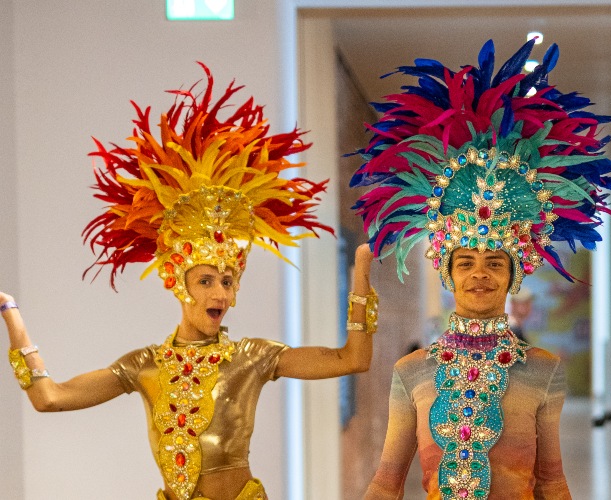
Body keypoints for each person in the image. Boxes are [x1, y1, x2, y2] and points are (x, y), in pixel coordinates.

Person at [3, 65, 379, 500]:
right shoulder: (143, 365)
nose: (220, 293)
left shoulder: (252, 357)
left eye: (227, 280)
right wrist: (11, 316)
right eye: (206, 280)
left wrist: (360, 286)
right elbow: (50, 398)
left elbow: (352, 359)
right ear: (177, 283)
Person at [351, 38, 611, 498]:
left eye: (495, 262)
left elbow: (552, 481)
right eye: (467, 262)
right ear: (447, 273)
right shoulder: (411, 371)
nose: (480, 273)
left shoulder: (546, 371)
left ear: (514, 274)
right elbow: (386, 480)